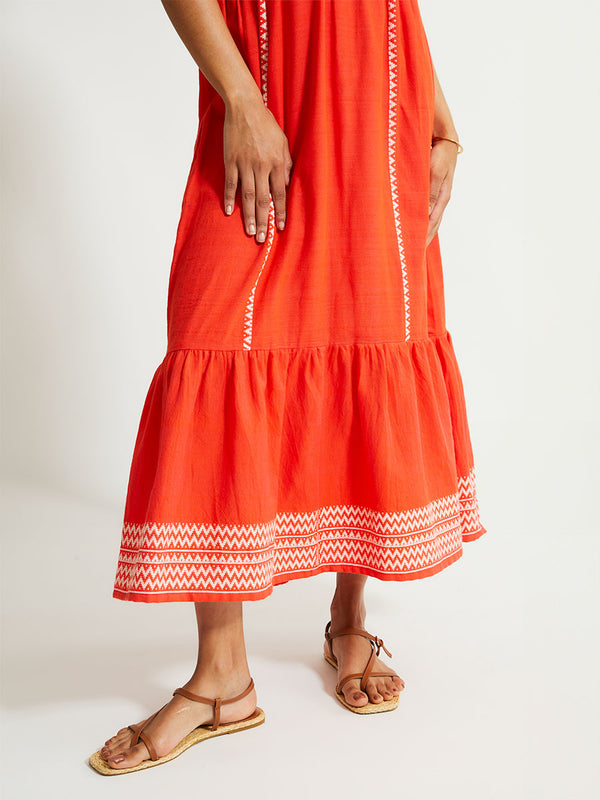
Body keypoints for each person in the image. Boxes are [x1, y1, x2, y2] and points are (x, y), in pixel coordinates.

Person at [90, 0, 486, 775]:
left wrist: (443, 122)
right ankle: (221, 678)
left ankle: (348, 619)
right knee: (215, 345)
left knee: (363, 337)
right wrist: (240, 98)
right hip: (263, 90)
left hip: (382, 111)